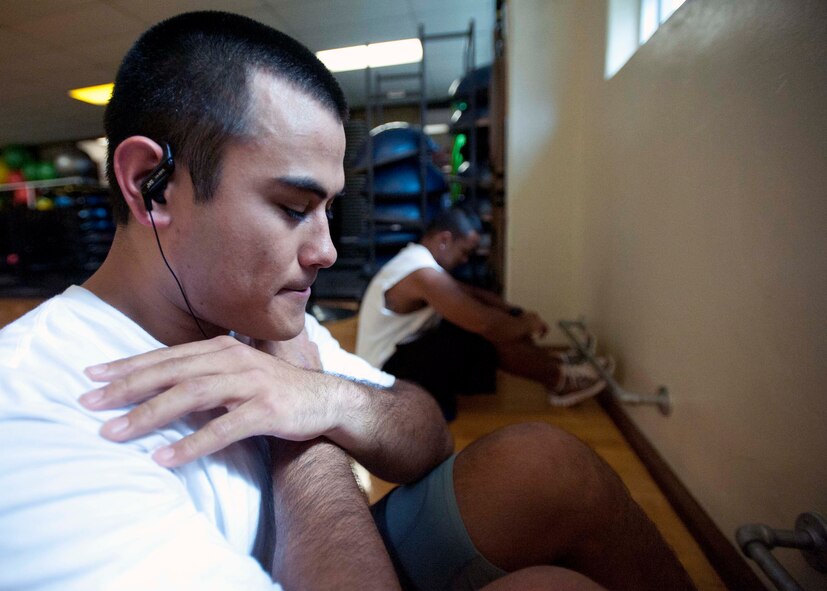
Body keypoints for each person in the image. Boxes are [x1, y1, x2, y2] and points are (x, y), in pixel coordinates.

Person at [0, 11, 695, 591]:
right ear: (153, 183)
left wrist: (324, 398)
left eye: (327, 210)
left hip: (318, 550)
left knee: (544, 464)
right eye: (293, 206)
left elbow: (426, 435)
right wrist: (299, 424)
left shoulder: (256, 318)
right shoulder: (31, 412)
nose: (325, 250)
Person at [357, 207, 612, 418]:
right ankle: (560, 381)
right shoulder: (422, 273)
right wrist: (527, 323)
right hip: (384, 375)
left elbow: (470, 292)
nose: (466, 260)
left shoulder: (419, 260)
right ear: (445, 240)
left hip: (401, 354)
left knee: (491, 319)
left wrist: (514, 312)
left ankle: (557, 365)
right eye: (465, 252)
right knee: (481, 333)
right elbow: (486, 325)